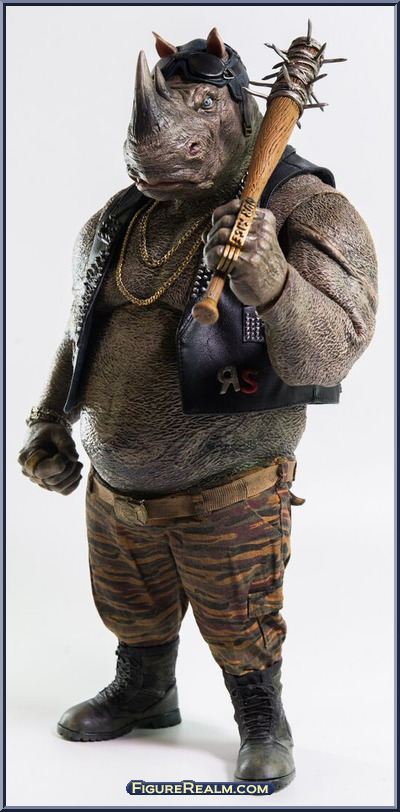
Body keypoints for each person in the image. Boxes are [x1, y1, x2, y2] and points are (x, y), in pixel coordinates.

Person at [18, 29, 377, 791]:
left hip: (229, 483)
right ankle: (145, 689)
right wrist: (49, 418)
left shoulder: (307, 209)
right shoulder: (121, 219)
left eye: (201, 104)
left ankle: (260, 717)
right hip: (116, 488)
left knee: (241, 616)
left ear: (241, 112)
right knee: (131, 607)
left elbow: (333, 352)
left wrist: (273, 282)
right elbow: (81, 330)